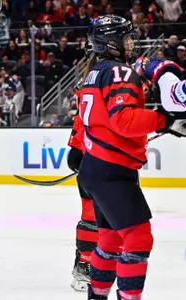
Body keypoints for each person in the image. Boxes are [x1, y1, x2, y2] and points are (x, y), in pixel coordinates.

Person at [78, 15, 186, 300]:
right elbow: (123, 120)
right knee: (138, 237)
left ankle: (97, 296)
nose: (131, 42)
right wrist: (163, 121)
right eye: (126, 38)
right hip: (112, 170)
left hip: (96, 166)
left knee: (111, 239)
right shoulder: (119, 72)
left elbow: (100, 122)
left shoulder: (95, 72)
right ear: (111, 42)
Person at [67, 79, 98, 293]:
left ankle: (94, 263)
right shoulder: (96, 90)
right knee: (92, 217)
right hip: (96, 162)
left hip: (108, 163)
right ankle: (84, 265)